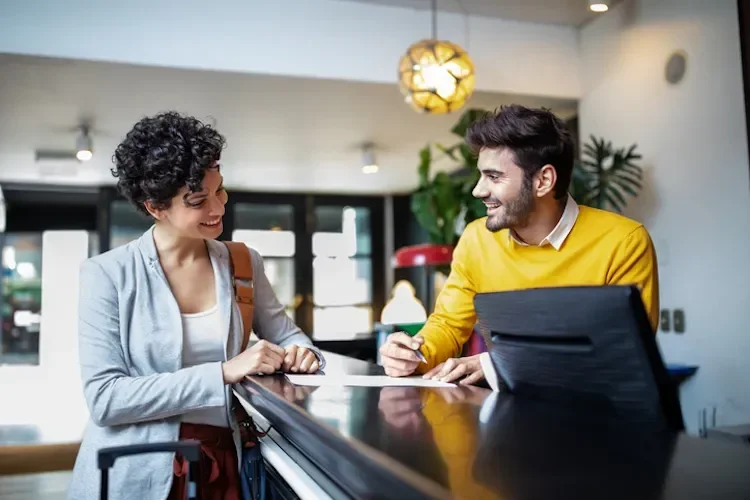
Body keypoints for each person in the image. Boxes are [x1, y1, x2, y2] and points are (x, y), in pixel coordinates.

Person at [68, 112, 325, 500]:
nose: (218, 208)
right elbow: (106, 399)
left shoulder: (242, 262)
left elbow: (288, 334)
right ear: (156, 207)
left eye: (220, 191)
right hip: (137, 469)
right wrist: (222, 372)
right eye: (198, 200)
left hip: (224, 460)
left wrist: (303, 354)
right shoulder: (106, 274)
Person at [379, 105, 659, 385]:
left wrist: (497, 363)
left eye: (494, 176)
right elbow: (448, 325)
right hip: (509, 414)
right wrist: (414, 353)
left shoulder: (624, 242)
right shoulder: (476, 239)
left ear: (543, 181)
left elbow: (623, 354)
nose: (478, 190)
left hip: (599, 418)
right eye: (481, 175)